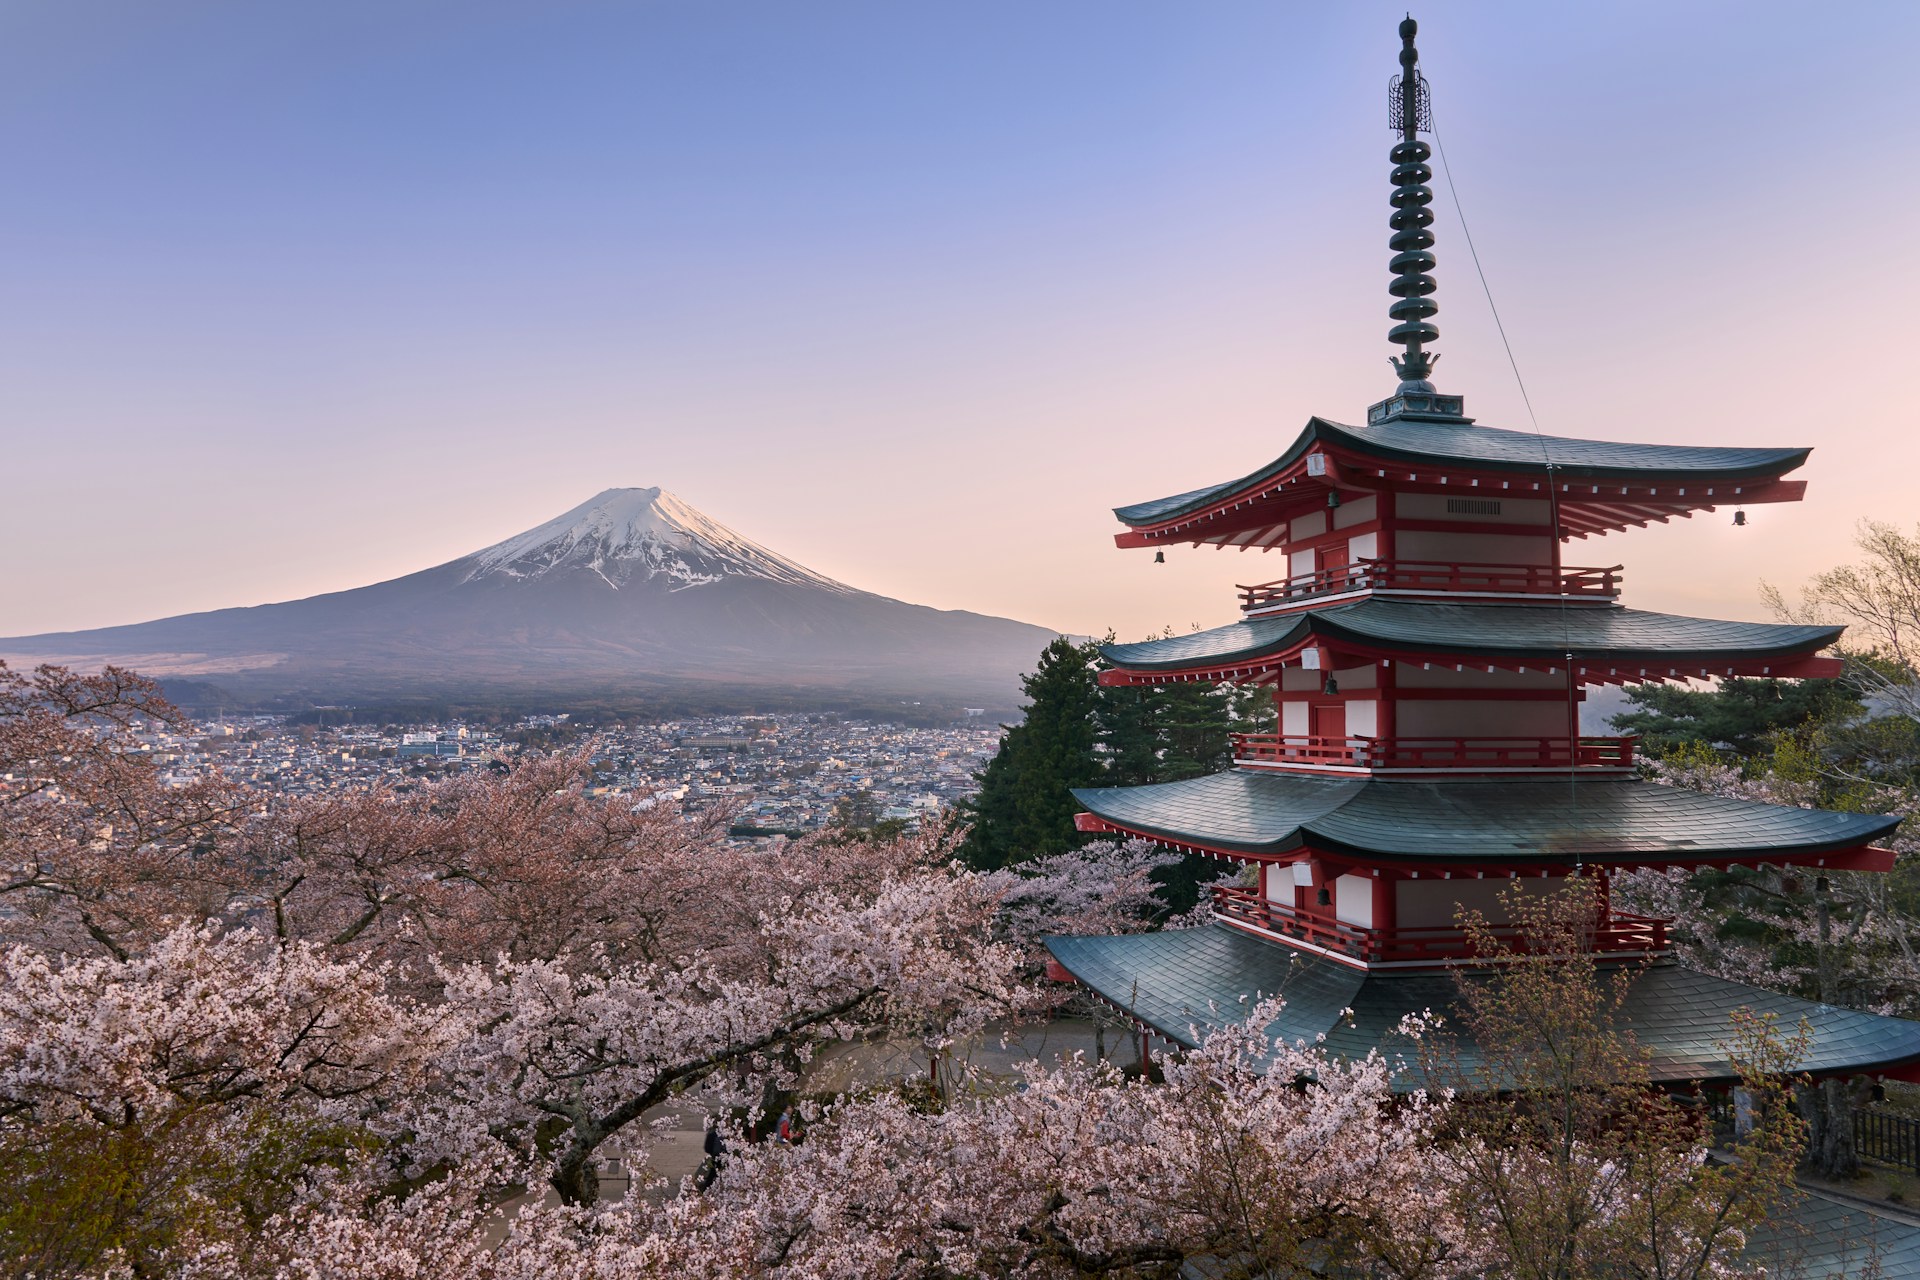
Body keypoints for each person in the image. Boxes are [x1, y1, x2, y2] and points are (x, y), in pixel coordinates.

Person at [695, 1118, 725, 1191]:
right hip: (719, 1157)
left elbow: (707, 1148)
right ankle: (706, 1189)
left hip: (716, 1157)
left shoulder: (713, 1133)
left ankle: (707, 1189)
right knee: (713, 1174)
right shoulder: (717, 1134)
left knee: (713, 1174)